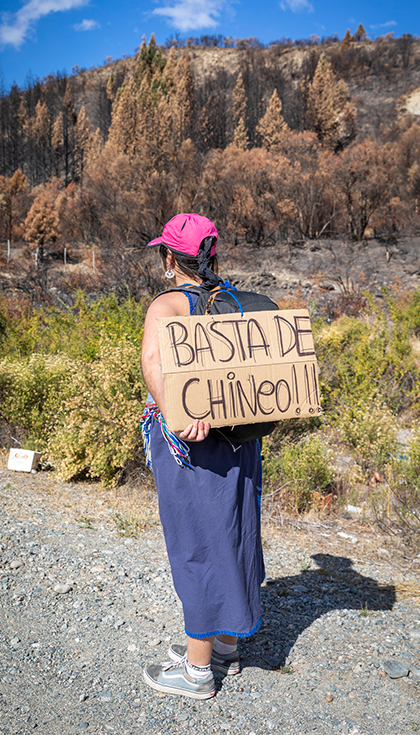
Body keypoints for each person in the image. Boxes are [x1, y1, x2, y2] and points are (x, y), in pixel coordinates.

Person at [137, 212, 263, 700]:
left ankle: (195, 672)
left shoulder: (167, 305)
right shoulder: (231, 300)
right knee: (235, 532)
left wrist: (173, 416)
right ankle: (226, 646)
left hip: (191, 444)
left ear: (169, 257)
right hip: (240, 440)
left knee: (197, 543)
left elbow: (153, 363)